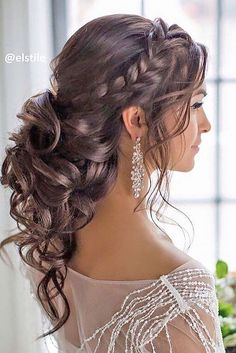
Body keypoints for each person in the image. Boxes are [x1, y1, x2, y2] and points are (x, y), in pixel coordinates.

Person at [0, 13, 225, 353]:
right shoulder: (181, 292)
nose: (205, 124)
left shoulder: (50, 245)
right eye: (195, 105)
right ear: (136, 120)